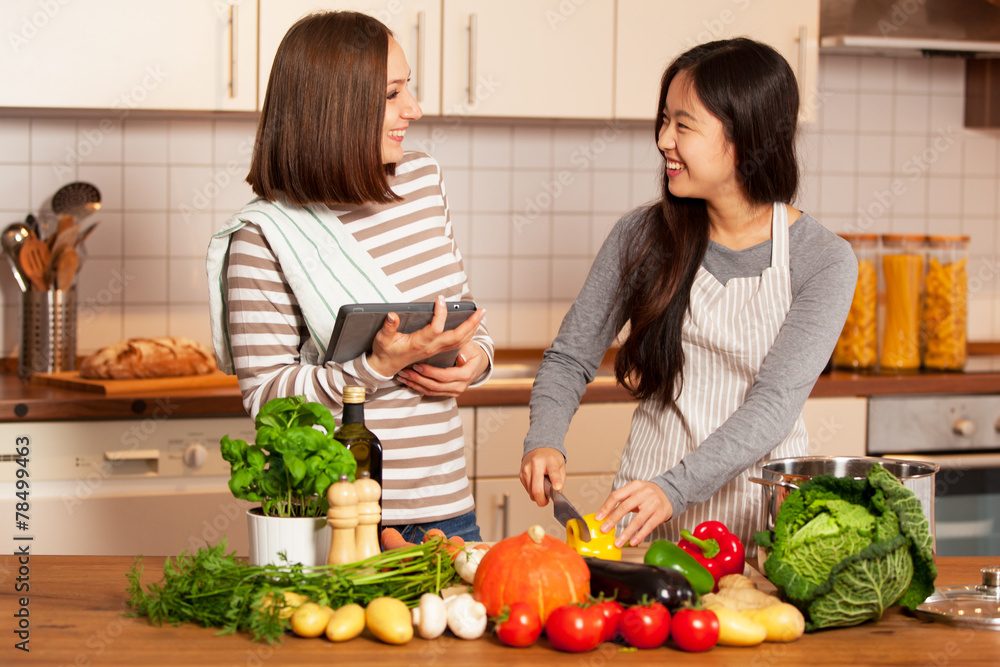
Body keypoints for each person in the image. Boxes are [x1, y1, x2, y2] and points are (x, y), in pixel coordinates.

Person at [519, 38, 857, 552]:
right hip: (642, 515)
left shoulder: (823, 260)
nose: (663, 140)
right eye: (663, 121)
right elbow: (570, 356)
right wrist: (544, 437)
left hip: (758, 522)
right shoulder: (643, 237)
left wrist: (674, 488)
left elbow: (773, 408)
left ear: (746, 134)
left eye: (683, 124)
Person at [206, 11, 493, 542]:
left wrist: (475, 360)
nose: (415, 109)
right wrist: (374, 367)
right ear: (333, 107)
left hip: (449, 508)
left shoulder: (423, 183)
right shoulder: (265, 236)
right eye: (392, 94)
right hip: (338, 517)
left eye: (409, 88)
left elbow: (460, 316)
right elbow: (268, 401)